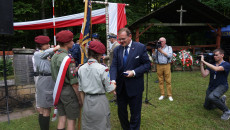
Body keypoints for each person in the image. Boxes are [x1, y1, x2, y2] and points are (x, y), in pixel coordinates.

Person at [110, 28, 151, 130]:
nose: (121, 41)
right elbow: (114, 66)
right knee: (121, 113)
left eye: (123, 39)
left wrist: (134, 72)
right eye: (120, 39)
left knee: (135, 113)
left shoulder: (140, 47)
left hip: (135, 87)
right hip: (121, 88)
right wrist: (113, 81)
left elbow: (147, 65)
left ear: (130, 37)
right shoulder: (117, 50)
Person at [78, 40, 116, 130]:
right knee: (102, 125)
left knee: (88, 126)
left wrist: (84, 105)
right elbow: (110, 90)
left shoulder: (81, 68)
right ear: (99, 55)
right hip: (99, 101)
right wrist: (114, 84)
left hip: (87, 101)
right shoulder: (103, 69)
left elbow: (81, 90)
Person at [51, 30, 82, 130]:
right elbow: (74, 84)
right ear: (66, 43)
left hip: (58, 90)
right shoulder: (68, 59)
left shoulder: (54, 56)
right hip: (69, 92)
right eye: (71, 41)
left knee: (62, 118)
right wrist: (80, 98)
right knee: (71, 121)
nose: (73, 43)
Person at [33, 35, 60, 130]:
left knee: (43, 108)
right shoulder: (38, 53)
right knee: (47, 108)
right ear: (41, 45)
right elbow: (47, 52)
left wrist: (54, 50)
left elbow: (50, 55)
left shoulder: (43, 53)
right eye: (47, 44)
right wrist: (56, 48)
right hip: (45, 80)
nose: (49, 45)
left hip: (47, 80)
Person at [200, 48, 230, 120]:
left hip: (222, 85)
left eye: (216, 55)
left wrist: (204, 61)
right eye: (214, 55)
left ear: (222, 55)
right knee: (207, 107)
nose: (214, 57)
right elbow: (204, 75)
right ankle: (221, 101)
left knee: (212, 97)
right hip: (212, 86)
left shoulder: (226, 64)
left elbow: (216, 69)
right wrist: (201, 64)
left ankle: (227, 111)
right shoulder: (212, 64)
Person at [152, 37, 173, 101]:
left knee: (168, 81)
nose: (160, 43)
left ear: (165, 42)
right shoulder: (157, 48)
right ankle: (162, 94)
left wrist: (161, 51)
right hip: (159, 65)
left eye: (161, 41)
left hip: (167, 65)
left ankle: (169, 95)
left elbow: (169, 55)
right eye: (159, 41)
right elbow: (154, 57)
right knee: (160, 80)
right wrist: (153, 51)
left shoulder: (169, 47)